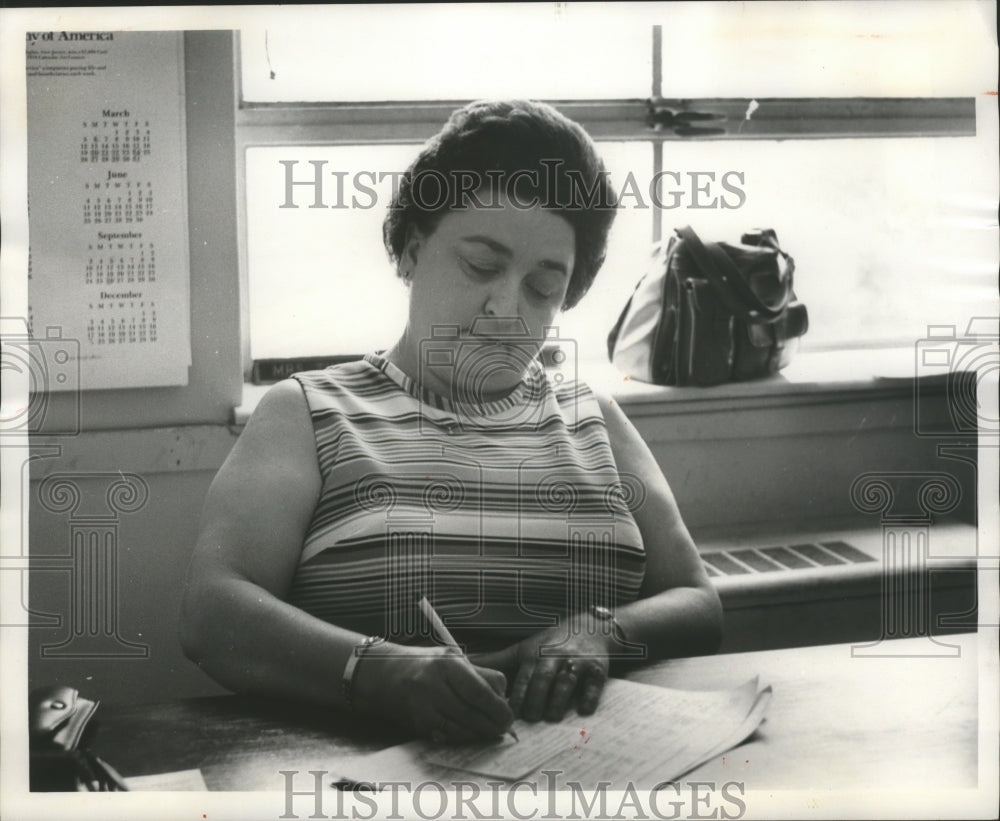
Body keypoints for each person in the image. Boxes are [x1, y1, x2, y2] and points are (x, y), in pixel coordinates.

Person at [180, 99, 722, 745]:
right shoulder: (310, 411)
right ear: (411, 250)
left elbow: (697, 601)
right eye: (482, 266)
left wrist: (597, 630)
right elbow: (212, 612)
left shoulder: (593, 419)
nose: (505, 308)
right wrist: (383, 673)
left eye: (543, 287)